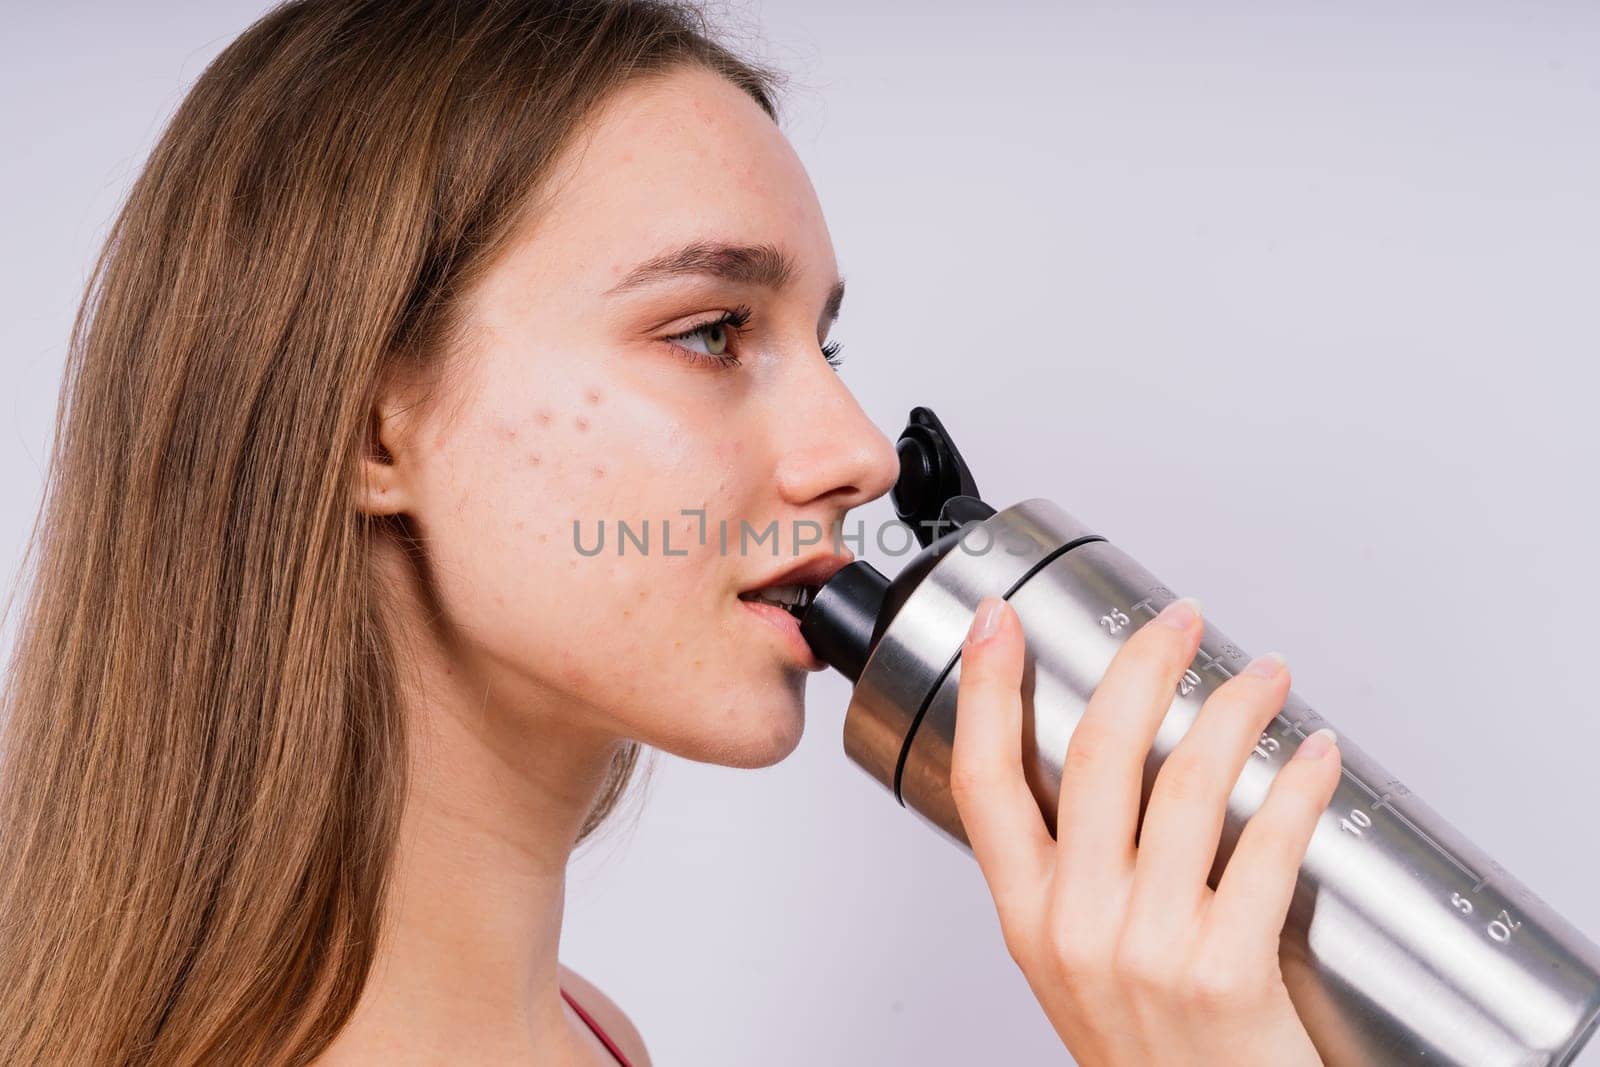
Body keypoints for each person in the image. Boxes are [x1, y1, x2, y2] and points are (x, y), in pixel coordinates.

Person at [0, 1, 1344, 1063]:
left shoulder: (591, 1038)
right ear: (372, 431)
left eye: (824, 341)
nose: (861, 453)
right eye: (710, 332)